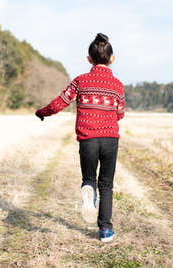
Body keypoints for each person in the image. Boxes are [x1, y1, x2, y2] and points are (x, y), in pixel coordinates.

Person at [35, 33, 124, 243]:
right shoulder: (118, 85)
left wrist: (42, 112)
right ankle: (105, 231)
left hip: (88, 140)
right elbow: (120, 113)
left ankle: (88, 193)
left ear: (89, 59)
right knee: (107, 185)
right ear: (112, 59)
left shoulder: (80, 81)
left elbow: (59, 103)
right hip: (110, 138)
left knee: (89, 179)